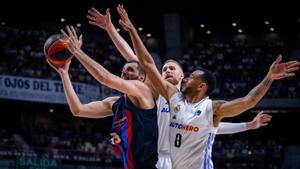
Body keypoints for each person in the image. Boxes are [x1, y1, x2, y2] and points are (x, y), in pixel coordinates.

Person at [86, 5, 273, 169]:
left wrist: (247, 125)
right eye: (164, 68)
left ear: (182, 76)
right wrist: (110, 28)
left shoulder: (192, 105)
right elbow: (133, 58)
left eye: (171, 68)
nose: (166, 70)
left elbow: (213, 127)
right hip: (156, 158)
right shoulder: (157, 92)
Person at [48, 25, 158, 169]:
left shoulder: (143, 91)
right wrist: (64, 75)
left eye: (130, 70)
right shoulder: (116, 103)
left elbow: (104, 77)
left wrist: (76, 51)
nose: (124, 73)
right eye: (123, 70)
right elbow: (78, 110)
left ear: (141, 78)